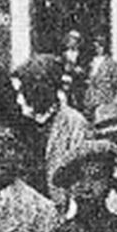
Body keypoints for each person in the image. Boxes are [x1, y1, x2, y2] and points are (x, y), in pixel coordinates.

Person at [14, 54, 92, 187]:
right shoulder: (21, 122)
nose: (22, 96)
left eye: (28, 87)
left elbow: (81, 173)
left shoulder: (75, 123)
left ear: (47, 87)